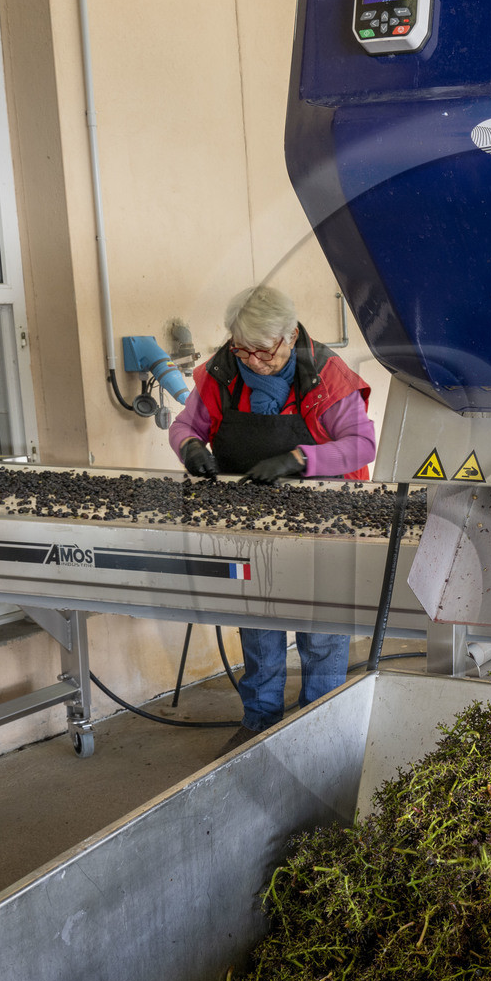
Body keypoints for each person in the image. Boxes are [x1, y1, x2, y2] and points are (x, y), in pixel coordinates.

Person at [169, 285, 376, 753]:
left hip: (326, 522)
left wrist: (299, 460)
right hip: (251, 522)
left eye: (264, 351)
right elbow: (185, 425)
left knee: (322, 631)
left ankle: (320, 728)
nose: (254, 360)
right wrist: (190, 447)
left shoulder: (328, 375)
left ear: (290, 335)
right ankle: (259, 723)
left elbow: (362, 444)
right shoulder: (220, 374)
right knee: (258, 624)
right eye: (244, 350)